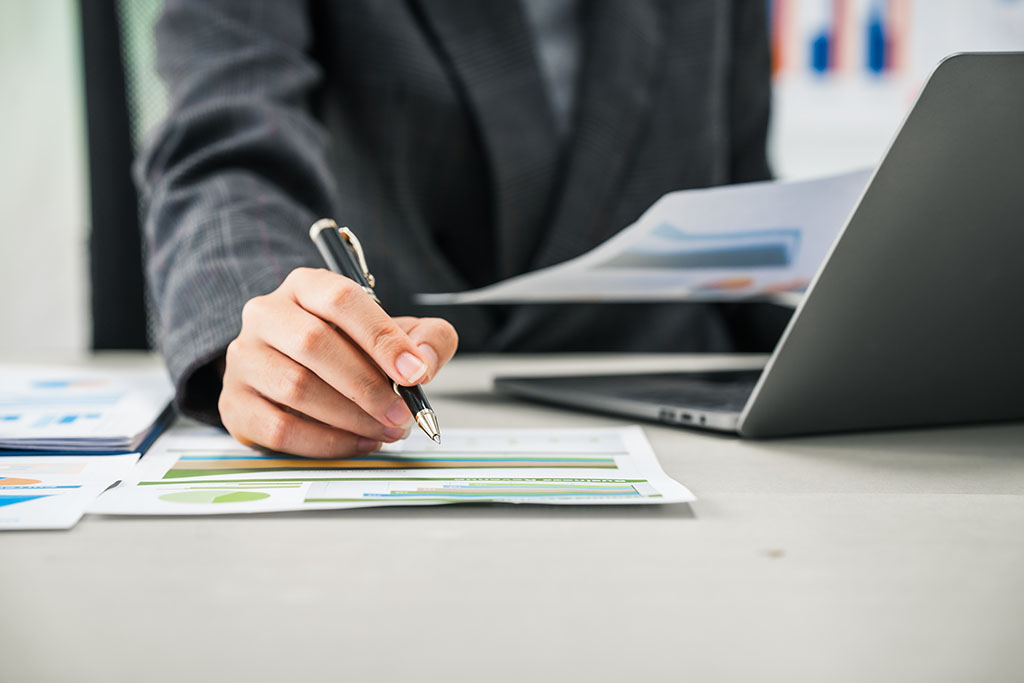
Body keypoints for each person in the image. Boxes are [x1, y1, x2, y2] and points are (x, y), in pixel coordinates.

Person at [138, 0, 787, 458]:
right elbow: (226, 145)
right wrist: (256, 325)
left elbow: (739, 189)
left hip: (693, 428)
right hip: (367, 394)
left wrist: (830, 325)